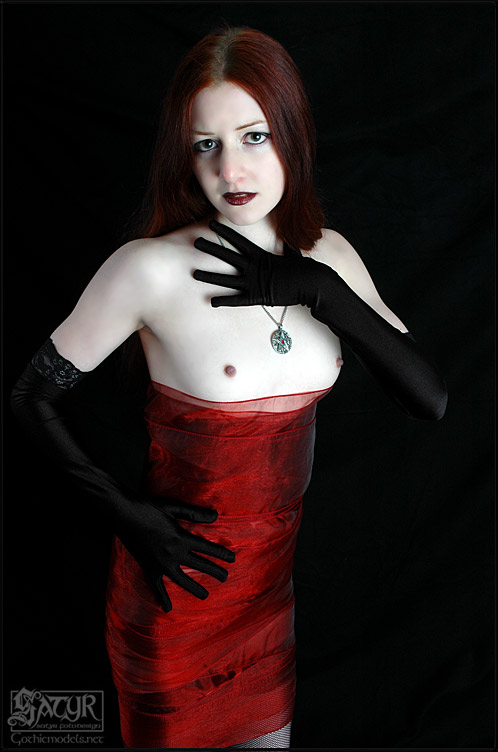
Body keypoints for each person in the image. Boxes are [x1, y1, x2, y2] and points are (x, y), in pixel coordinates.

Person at [10, 24, 447, 749]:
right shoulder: (149, 269)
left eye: (254, 137)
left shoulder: (331, 256)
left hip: (268, 605)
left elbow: (427, 398)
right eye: (206, 145)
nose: (230, 168)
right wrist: (128, 516)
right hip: (174, 600)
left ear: (291, 135)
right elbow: (30, 397)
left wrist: (320, 290)